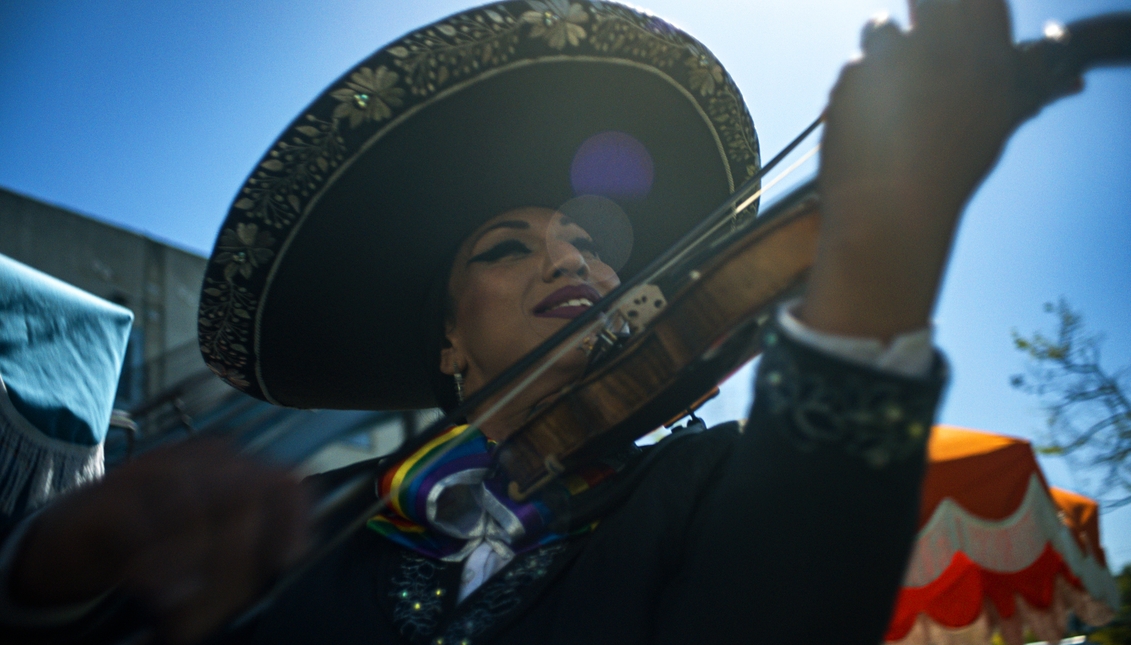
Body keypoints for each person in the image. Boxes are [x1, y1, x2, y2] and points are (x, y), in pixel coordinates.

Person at [0, 0, 1071, 643]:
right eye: (505, 246)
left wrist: (881, 257)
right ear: (448, 346)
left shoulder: (709, 486)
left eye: (589, 241)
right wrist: (53, 580)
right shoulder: (304, 524)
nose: (571, 254)